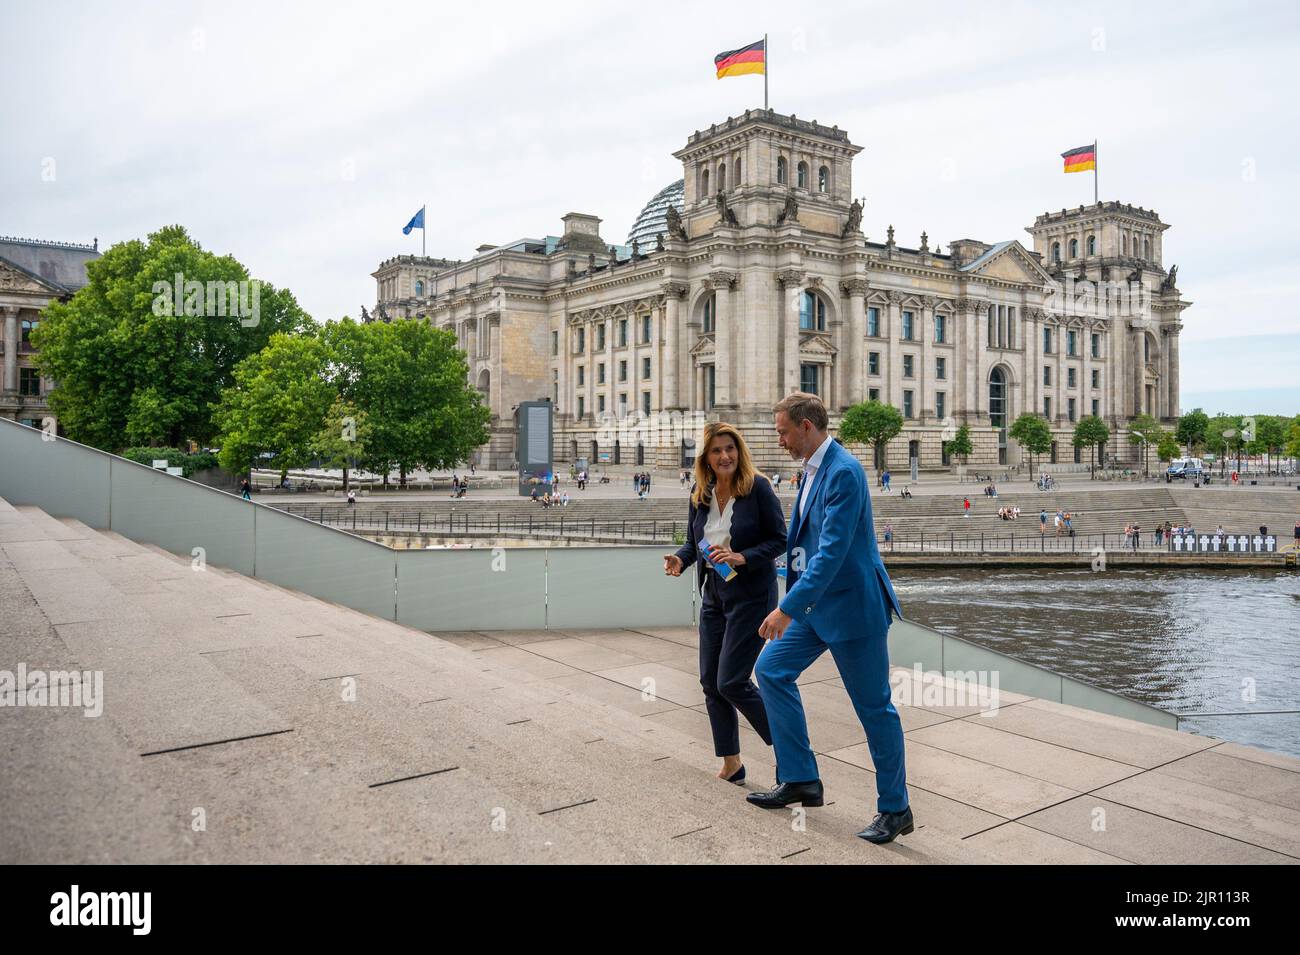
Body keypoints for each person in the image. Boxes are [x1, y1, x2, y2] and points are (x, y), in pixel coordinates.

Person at [748, 392, 911, 845]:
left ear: (805, 426)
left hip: (853, 608)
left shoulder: (844, 471)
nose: (778, 440)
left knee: (874, 709)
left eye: (782, 431)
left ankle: (896, 808)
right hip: (816, 606)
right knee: (771, 670)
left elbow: (832, 553)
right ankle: (800, 778)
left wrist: (786, 608)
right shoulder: (814, 468)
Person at [665, 422, 783, 786]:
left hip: (751, 595)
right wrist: (681, 560)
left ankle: (790, 748)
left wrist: (742, 557)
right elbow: (694, 542)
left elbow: (780, 539)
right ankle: (732, 762)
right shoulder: (700, 493)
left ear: (740, 451)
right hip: (714, 593)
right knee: (710, 682)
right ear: (706, 458)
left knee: (732, 680)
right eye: (716, 451)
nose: (724, 456)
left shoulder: (758, 488)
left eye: (730, 448)